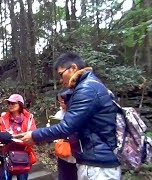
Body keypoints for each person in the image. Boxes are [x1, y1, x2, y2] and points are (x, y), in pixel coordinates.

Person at [20, 52, 121, 180]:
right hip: (94, 161)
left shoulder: (87, 88)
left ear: (73, 68)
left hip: (98, 166)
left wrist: (34, 135)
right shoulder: (90, 85)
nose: (61, 80)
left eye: (61, 74)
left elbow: (66, 127)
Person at [0, 94, 37, 180]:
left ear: (20, 104)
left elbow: (33, 135)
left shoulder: (29, 118)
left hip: (23, 155)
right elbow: (0, 133)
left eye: (13, 103)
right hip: (7, 155)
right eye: (9, 103)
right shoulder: (3, 118)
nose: (10, 105)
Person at [53, 89, 77, 180]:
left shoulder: (78, 113)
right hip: (62, 154)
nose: (61, 104)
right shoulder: (59, 113)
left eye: (63, 102)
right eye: (59, 102)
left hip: (76, 155)